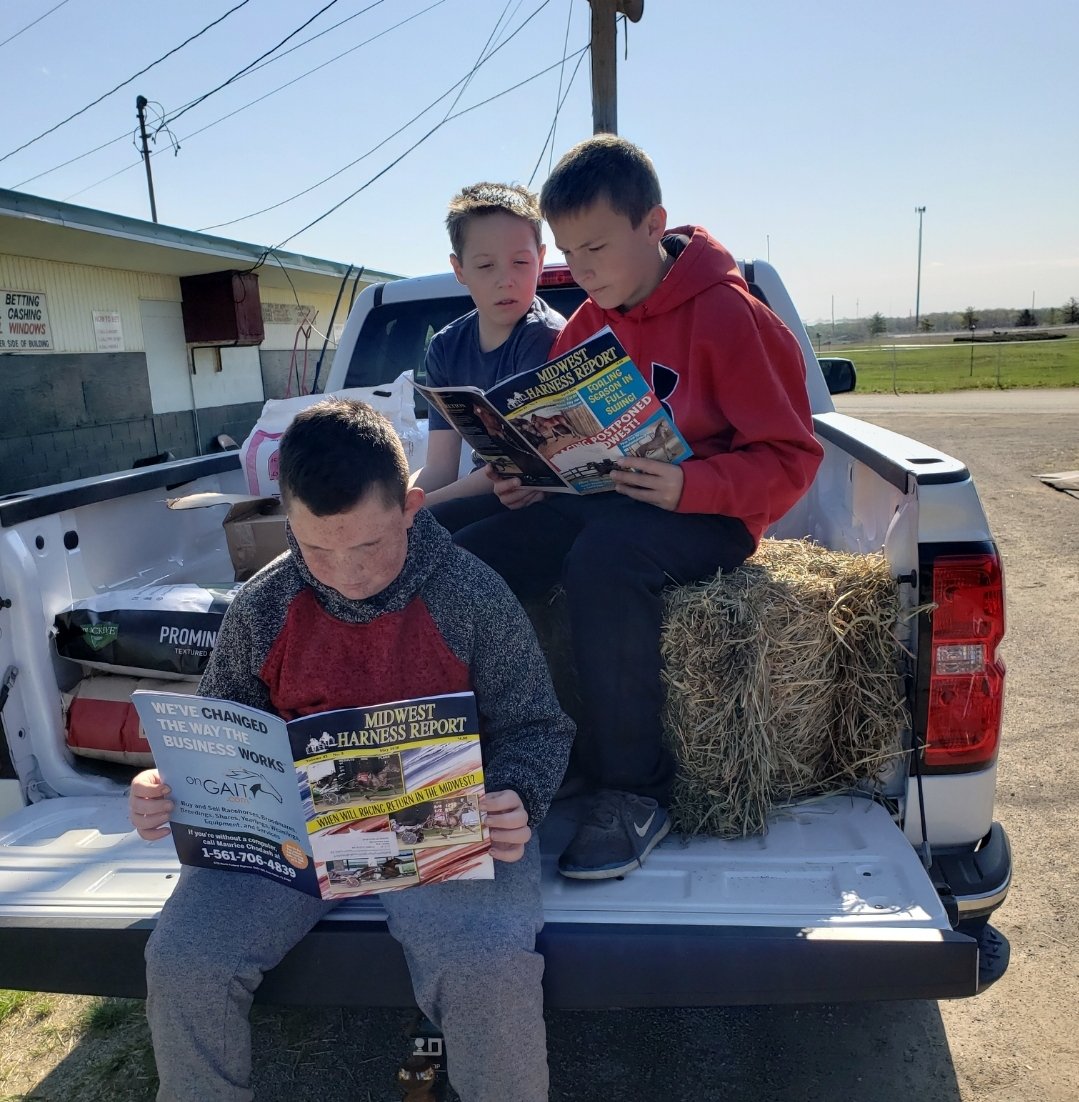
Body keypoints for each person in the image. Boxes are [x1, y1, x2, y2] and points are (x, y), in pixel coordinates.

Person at [128, 398, 574, 1102]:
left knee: (486, 966)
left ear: (411, 507)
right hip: (295, 839)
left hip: (437, 832)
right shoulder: (261, 605)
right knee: (184, 958)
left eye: (368, 546)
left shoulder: (471, 595)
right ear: (289, 524)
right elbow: (220, 730)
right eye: (316, 548)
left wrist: (516, 793)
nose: (346, 572)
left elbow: (535, 727)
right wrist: (169, 783)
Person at [433, 135, 825, 881]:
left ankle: (632, 790)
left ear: (653, 225)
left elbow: (791, 459)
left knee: (603, 560)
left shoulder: (730, 315)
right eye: (569, 256)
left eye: (596, 249)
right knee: (453, 544)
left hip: (706, 515)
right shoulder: (585, 324)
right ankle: (471, 752)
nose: (579, 273)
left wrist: (693, 487)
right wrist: (529, 477)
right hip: (606, 498)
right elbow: (555, 431)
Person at [414, 181, 564, 510]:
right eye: (485, 266)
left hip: (540, 507)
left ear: (540, 260)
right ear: (459, 269)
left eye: (520, 263)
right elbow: (440, 467)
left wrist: (411, 513)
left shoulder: (545, 336)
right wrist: (398, 506)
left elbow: (519, 463)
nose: (505, 279)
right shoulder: (444, 347)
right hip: (483, 497)